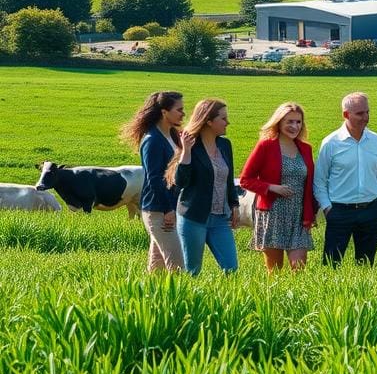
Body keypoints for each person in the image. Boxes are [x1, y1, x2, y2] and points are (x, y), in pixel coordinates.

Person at [313, 92, 377, 267]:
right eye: (360, 113)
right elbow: (320, 181)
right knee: (331, 265)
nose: (366, 117)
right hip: (339, 211)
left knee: (366, 266)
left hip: (371, 210)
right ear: (345, 115)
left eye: (367, 112)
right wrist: (327, 209)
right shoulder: (331, 143)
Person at [165, 98, 240, 275]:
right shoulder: (190, 146)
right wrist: (186, 152)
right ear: (208, 121)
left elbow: (228, 179)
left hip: (221, 219)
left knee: (231, 268)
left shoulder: (225, 145)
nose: (227, 122)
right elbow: (180, 182)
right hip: (194, 218)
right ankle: (189, 302)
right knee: (192, 271)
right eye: (223, 118)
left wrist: (234, 204)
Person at [239, 102, 316, 273]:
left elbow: (309, 184)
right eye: (289, 121)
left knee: (299, 268)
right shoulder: (266, 146)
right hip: (273, 214)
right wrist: (272, 188)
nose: (294, 126)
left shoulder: (306, 149)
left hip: (298, 215)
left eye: (298, 122)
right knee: (275, 272)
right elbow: (245, 180)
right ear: (279, 122)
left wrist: (310, 213)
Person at [121, 91, 185, 272]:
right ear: (164, 112)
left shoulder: (172, 136)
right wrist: (168, 209)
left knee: (158, 268)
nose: (183, 113)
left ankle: (150, 297)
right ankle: (180, 298)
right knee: (177, 267)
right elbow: (155, 178)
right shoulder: (152, 141)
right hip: (158, 209)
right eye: (179, 109)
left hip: (168, 207)